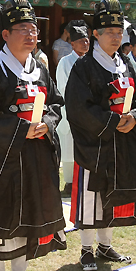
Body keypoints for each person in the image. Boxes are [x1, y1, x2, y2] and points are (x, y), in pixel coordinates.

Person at [0, 0, 67, 271]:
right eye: (22, 28)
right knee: (3, 216)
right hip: (4, 159)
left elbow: (54, 105)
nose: (30, 34)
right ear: (5, 34)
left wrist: (47, 125)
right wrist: (20, 129)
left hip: (36, 156)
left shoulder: (40, 70)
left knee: (29, 214)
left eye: (33, 28)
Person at [66, 0, 136, 271]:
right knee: (92, 195)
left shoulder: (125, 64)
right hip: (96, 144)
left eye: (118, 33)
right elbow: (79, 108)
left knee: (112, 196)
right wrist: (113, 121)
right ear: (96, 35)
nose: (115, 38)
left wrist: (135, 117)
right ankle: (86, 248)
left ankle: (105, 244)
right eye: (109, 33)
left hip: (121, 142)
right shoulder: (84, 67)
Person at [55, 20, 90, 195]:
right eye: (82, 41)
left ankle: (85, 179)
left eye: (87, 40)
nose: (85, 44)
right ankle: (69, 182)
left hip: (89, 112)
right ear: (72, 43)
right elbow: (63, 88)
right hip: (70, 110)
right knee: (69, 146)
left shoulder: (92, 62)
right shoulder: (65, 62)